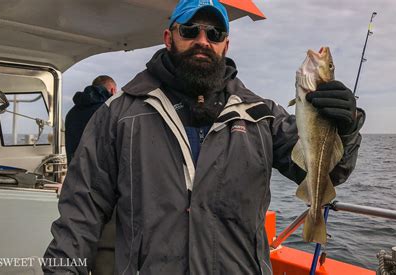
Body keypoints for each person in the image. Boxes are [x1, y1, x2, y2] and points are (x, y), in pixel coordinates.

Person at [44, 0, 365, 274]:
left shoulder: (262, 115)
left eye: (214, 33)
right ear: (169, 38)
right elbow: (80, 211)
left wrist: (346, 126)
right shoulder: (118, 115)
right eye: (189, 30)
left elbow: (328, 172)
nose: (203, 39)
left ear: (225, 44)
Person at [65, 75, 117, 163]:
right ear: (113, 90)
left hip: (75, 170)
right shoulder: (108, 110)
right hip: (100, 172)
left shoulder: (72, 112)